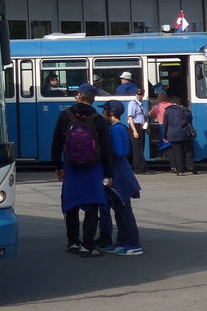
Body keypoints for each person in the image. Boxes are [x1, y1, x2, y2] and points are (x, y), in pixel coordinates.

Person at [52, 84, 113, 257]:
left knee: (71, 206)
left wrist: (58, 166)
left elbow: (56, 143)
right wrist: (108, 174)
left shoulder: (65, 115)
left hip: (71, 167)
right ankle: (88, 245)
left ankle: (72, 243)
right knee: (92, 206)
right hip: (93, 169)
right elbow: (107, 149)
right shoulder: (98, 119)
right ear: (93, 98)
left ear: (78, 96)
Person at [97, 100, 143, 255]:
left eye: (104, 111)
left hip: (119, 175)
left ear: (110, 113)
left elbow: (118, 151)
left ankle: (133, 243)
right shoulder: (120, 128)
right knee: (119, 211)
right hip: (121, 173)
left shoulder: (115, 130)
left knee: (124, 212)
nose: (102, 113)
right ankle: (122, 241)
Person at [163, 95, 196, 175]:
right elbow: (190, 119)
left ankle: (180, 171)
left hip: (173, 135)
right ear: (179, 103)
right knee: (188, 151)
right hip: (185, 134)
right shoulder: (185, 110)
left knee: (178, 153)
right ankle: (191, 166)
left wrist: (165, 136)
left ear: (171, 103)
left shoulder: (167, 111)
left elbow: (165, 125)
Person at [127, 88, 149, 174]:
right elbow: (130, 117)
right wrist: (134, 131)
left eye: (140, 95)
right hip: (135, 126)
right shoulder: (133, 103)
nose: (139, 96)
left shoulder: (142, 104)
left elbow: (144, 117)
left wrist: (147, 128)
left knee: (141, 147)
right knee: (136, 148)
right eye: (138, 95)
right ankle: (138, 168)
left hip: (141, 126)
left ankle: (142, 167)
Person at [147, 92, 171, 166]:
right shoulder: (171, 106)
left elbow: (150, 115)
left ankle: (162, 154)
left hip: (162, 126)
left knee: (163, 141)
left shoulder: (157, 107)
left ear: (158, 99)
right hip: (171, 126)